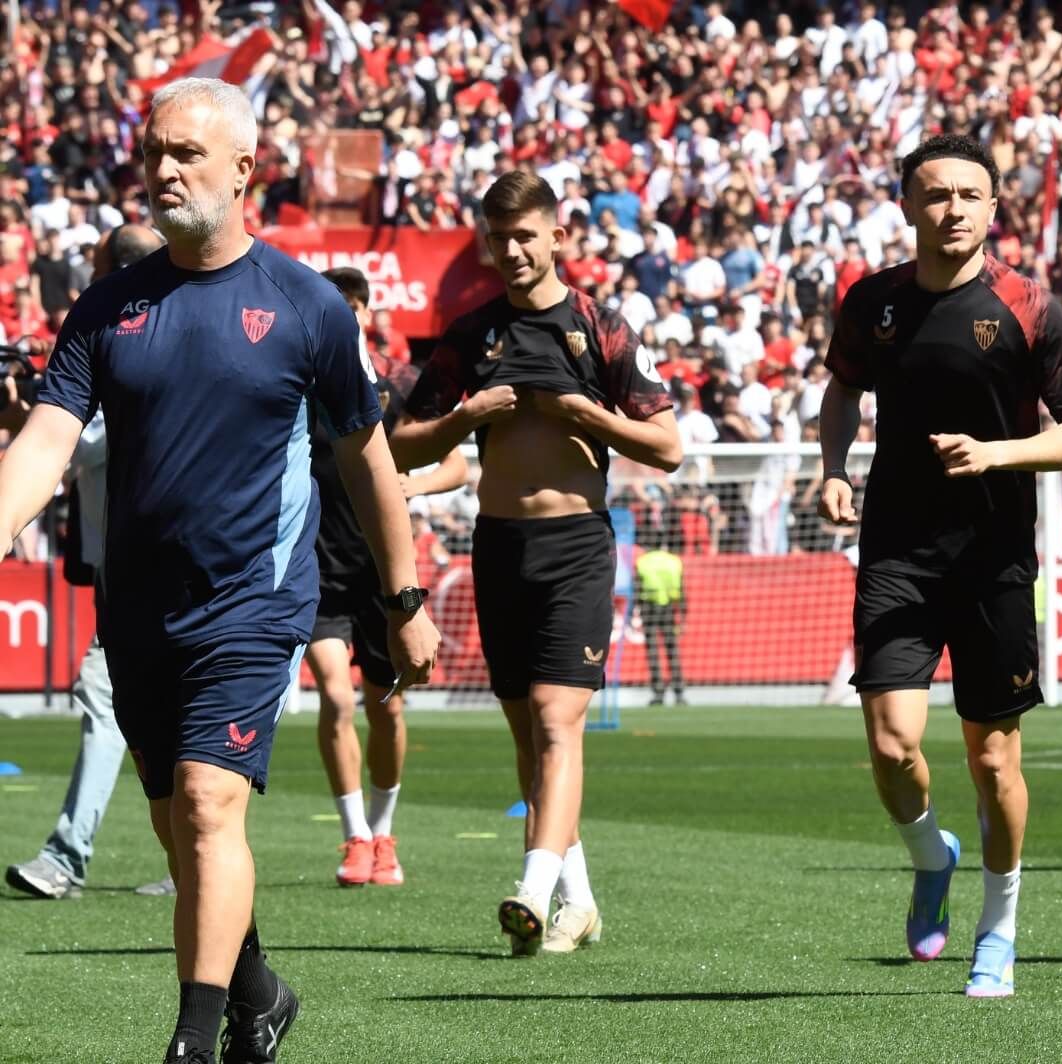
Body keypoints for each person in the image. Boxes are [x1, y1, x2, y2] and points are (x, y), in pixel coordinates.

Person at [0, 78, 440, 1064]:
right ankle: (260, 990)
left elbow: (368, 460)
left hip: (254, 602)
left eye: (185, 154)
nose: (162, 170)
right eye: (154, 151)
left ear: (244, 170)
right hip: (141, 605)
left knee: (207, 802)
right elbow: (42, 444)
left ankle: (196, 1040)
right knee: (175, 823)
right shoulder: (107, 307)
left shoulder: (307, 306)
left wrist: (401, 595)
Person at [817, 134, 1062, 998]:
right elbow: (840, 392)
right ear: (906, 204)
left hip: (995, 560)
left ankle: (999, 930)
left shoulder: (1028, 307)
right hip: (897, 553)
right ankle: (930, 855)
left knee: (993, 762)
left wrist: (997, 455)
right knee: (894, 744)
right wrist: (833, 469)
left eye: (968, 195)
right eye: (934, 194)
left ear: (992, 208)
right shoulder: (871, 303)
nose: (952, 209)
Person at [389, 170, 682, 957]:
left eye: (527, 235)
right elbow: (399, 441)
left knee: (558, 722)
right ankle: (577, 902)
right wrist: (465, 417)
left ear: (558, 236)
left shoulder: (600, 325)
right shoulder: (470, 335)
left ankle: (531, 886)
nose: (514, 249)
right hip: (499, 546)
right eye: (500, 236)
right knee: (528, 735)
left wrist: (590, 414)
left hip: (577, 546)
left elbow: (670, 446)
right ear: (487, 243)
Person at [5, 223, 176, 902]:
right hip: (137, 567)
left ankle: (68, 855)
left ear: (116, 273)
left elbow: (75, 443)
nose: (83, 281)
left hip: (155, 568)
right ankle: (189, 854)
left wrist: (38, 410)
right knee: (133, 710)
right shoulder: (124, 341)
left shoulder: (127, 349)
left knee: (112, 704)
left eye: (97, 267)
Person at [309, 267, 469, 888]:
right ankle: (352, 837)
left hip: (385, 571)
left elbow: (456, 465)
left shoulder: (397, 385)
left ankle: (383, 833)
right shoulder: (301, 383)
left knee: (388, 709)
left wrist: (415, 482)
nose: (342, 315)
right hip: (318, 565)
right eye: (332, 305)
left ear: (366, 313)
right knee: (331, 693)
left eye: (351, 306)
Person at [634, 523, 687, 706]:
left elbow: (637, 587)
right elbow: (681, 589)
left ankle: (658, 692)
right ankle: (679, 692)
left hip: (649, 608)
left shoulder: (642, 562)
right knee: (672, 650)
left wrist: (636, 609)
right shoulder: (674, 561)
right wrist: (683, 615)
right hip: (669, 608)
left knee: (653, 651)